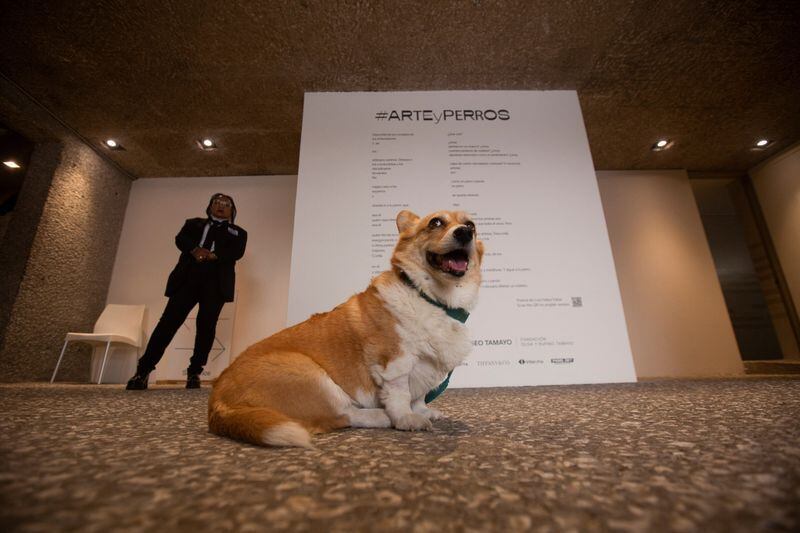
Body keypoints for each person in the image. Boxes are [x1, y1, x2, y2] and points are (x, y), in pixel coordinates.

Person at [126, 193, 247, 390]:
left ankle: (194, 372)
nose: (221, 206)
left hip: (216, 284)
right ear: (209, 207)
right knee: (167, 324)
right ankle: (143, 370)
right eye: (217, 202)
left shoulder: (239, 232)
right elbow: (180, 239)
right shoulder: (193, 223)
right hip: (187, 280)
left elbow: (237, 252)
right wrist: (195, 250)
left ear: (232, 211)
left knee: (206, 327)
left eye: (226, 204)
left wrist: (214, 255)